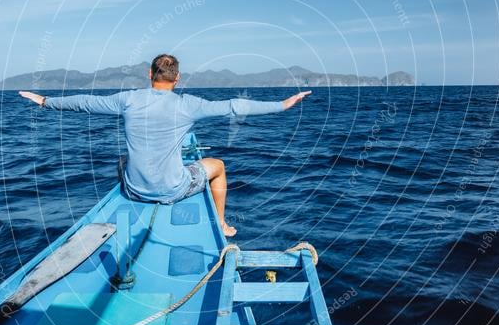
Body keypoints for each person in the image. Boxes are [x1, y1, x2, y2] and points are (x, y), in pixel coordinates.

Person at [19, 54, 310, 237]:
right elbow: (234, 106)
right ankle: (221, 223)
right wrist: (282, 105)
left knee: (123, 160)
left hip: (134, 192)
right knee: (218, 167)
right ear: (177, 78)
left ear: (150, 74)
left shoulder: (128, 99)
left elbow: (85, 103)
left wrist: (46, 101)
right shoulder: (188, 105)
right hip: (174, 190)